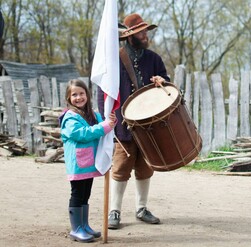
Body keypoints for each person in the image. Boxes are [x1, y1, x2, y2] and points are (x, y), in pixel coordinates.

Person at [97, 13, 170, 229]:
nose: (146, 35)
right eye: (141, 31)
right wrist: (108, 120)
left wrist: (161, 81)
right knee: (120, 167)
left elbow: (167, 84)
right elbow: (104, 92)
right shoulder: (114, 60)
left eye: (146, 31)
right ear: (130, 36)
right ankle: (114, 212)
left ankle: (141, 208)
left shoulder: (154, 59)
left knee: (146, 167)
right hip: (123, 124)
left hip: (149, 123)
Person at [59, 79, 117, 242]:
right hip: (78, 164)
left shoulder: (93, 114)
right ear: (68, 98)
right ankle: (76, 229)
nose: (78, 97)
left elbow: (104, 123)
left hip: (89, 163)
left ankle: (84, 225)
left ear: (87, 95)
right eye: (74, 95)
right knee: (77, 194)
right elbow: (82, 133)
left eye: (81, 93)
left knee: (86, 194)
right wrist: (104, 126)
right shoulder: (70, 117)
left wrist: (111, 120)